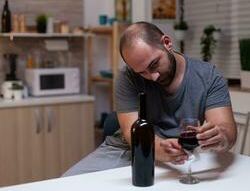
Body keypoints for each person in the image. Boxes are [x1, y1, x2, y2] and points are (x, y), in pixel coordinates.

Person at [62, 21, 237, 177]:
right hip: (129, 149)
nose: (152, 77)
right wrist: (162, 150)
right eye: (142, 72)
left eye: (154, 65)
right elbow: (132, 133)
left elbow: (227, 130)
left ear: (167, 43)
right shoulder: (127, 77)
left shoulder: (208, 76)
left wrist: (220, 137)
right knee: (67, 183)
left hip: (185, 156)